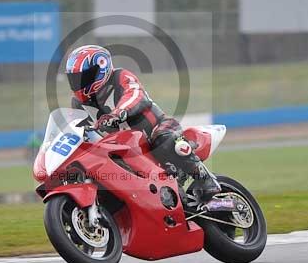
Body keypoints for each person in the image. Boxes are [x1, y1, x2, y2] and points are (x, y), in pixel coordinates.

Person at [64, 44, 220, 205]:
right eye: (75, 78)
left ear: (100, 69)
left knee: (163, 139)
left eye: (84, 77)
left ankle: (205, 180)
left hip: (158, 128)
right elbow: (74, 125)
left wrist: (119, 113)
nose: (79, 82)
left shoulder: (120, 77)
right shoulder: (78, 103)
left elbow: (135, 95)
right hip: (127, 148)